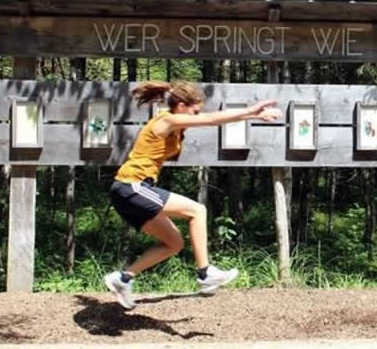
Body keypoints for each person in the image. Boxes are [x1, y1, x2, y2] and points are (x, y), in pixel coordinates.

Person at [103, 81, 281, 309]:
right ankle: (205, 274)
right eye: (194, 111)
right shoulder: (166, 120)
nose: (197, 116)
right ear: (180, 106)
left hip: (131, 191)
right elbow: (211, 119)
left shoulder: (174, 127)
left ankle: (123, 279)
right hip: (131, 185)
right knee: (197, 210)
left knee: (174, 243)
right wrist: (251, 112)